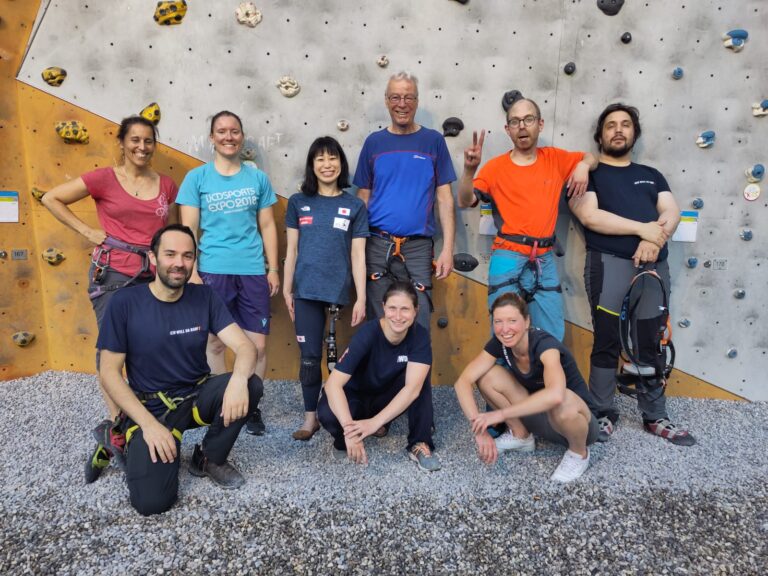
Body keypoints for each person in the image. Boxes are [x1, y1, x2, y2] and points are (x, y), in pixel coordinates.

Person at [42, 115, 179, 482]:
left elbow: (167, 234)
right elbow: (52, 198)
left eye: (148, 141)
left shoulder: (166, 185)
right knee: (112, 354)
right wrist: (88, 230)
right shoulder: (104, 178)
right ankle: (118, 431)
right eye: (134, 140)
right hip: (114, 276)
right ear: (122, 142)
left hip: (151, 278)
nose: (141, 147)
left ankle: (137, 425)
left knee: (149, 350)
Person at [98, 224, 263, 516]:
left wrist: (238, 379)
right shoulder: (125, 303)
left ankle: (209, 458)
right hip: (151, 409)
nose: (179, 263)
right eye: (170, 254)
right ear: (153, 257)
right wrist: (148, 426)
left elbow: (246, 347)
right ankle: (118, 440)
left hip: (195, 397)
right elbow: (109, 372)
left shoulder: (205, 297)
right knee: (152, 503)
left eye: (187, 256)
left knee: (251, 384)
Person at [568, 103, 695, 446]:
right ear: (600, 135)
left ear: (634, 133)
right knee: (607, 340)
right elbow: (591, 217)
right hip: (608, 265)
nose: (618, 130)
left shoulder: (651, 174)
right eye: (611, 125)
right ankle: (603, 412)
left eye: (625, 124)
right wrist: (646, 231)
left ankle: (655, 416)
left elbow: (670, 211)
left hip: (653, 267)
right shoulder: (587, 175)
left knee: (650, 341)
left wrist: (655, 240)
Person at [457, 98, 598, 341]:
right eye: (515, 121)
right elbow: (464, 200)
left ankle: (544, 379)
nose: (522, 126)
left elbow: (591, 157)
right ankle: (502, 378)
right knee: (504, 335)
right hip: (507, 256)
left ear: (540, 124)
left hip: (543, 257)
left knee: (551, 335)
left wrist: (584, 166)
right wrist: (469, 171)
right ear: (507, 129)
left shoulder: (555, 159)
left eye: (528, 119)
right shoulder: (494, 168)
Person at [177, 110, 279, 436]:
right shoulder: (197, 178)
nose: (228, 136)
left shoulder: (258, 179)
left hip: (252, 271)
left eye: (234, 131)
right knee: (215, 343)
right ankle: (222, 401)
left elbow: (267, 225)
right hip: (212, 270)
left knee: (258, 346)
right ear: (212, 138)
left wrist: (273, 268)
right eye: (221, 131)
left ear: (242, 136)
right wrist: (190, 269)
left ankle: (250, 404)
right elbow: (188, 227)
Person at [454, 293, 599, 483]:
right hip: (540, 417)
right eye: (498, 321)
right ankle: (521, 436)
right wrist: (480, 430)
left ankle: (578, 453)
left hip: (579, 424)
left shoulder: (545, 345)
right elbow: (462, 382)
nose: (505, 329)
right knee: (486, 375)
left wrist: (500, 415)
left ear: (527, 321)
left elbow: (556, 396)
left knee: (564, 398)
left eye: (512, 320)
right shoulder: (500, 343)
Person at [353, 71, 456, 331]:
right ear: (387, 101)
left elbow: (445, 198)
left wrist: (448, 249)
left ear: (417, 101)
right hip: (377, 244)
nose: (402, 104)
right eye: (396, 97)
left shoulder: (433, 141)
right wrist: (355, 247)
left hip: (418, 248)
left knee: (419, 324)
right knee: (380, 323)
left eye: (409, 97)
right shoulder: (374, 143)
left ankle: (417, 372)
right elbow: (362, 198)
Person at [283, 136, 369, 440]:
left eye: (332, 158)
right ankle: (310, 420)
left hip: (338, 292)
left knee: (339, 360)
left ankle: (342, 413)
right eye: (320, 159)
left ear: (341, 164)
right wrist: (286, 288)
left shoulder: (354, 205)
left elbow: (358, 254)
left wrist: (361, 297)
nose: (327, 164)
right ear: (311, 165)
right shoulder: (298, 202)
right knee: (309, 358)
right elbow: (291, 251)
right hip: (305, 290)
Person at [317, 281, 441, 472]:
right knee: (328, 413)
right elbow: (333, 385)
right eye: (392, 308)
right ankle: (345, 440)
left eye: (405, 309)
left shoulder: (419, 335)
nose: (398, 316)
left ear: (416, 310)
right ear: (383, 307)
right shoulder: (368, 333)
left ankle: (419, 442)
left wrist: (375, 422)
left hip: (386, 397)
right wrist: (349, 430)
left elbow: (412, 390)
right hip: (358, 396)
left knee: (419, 380)